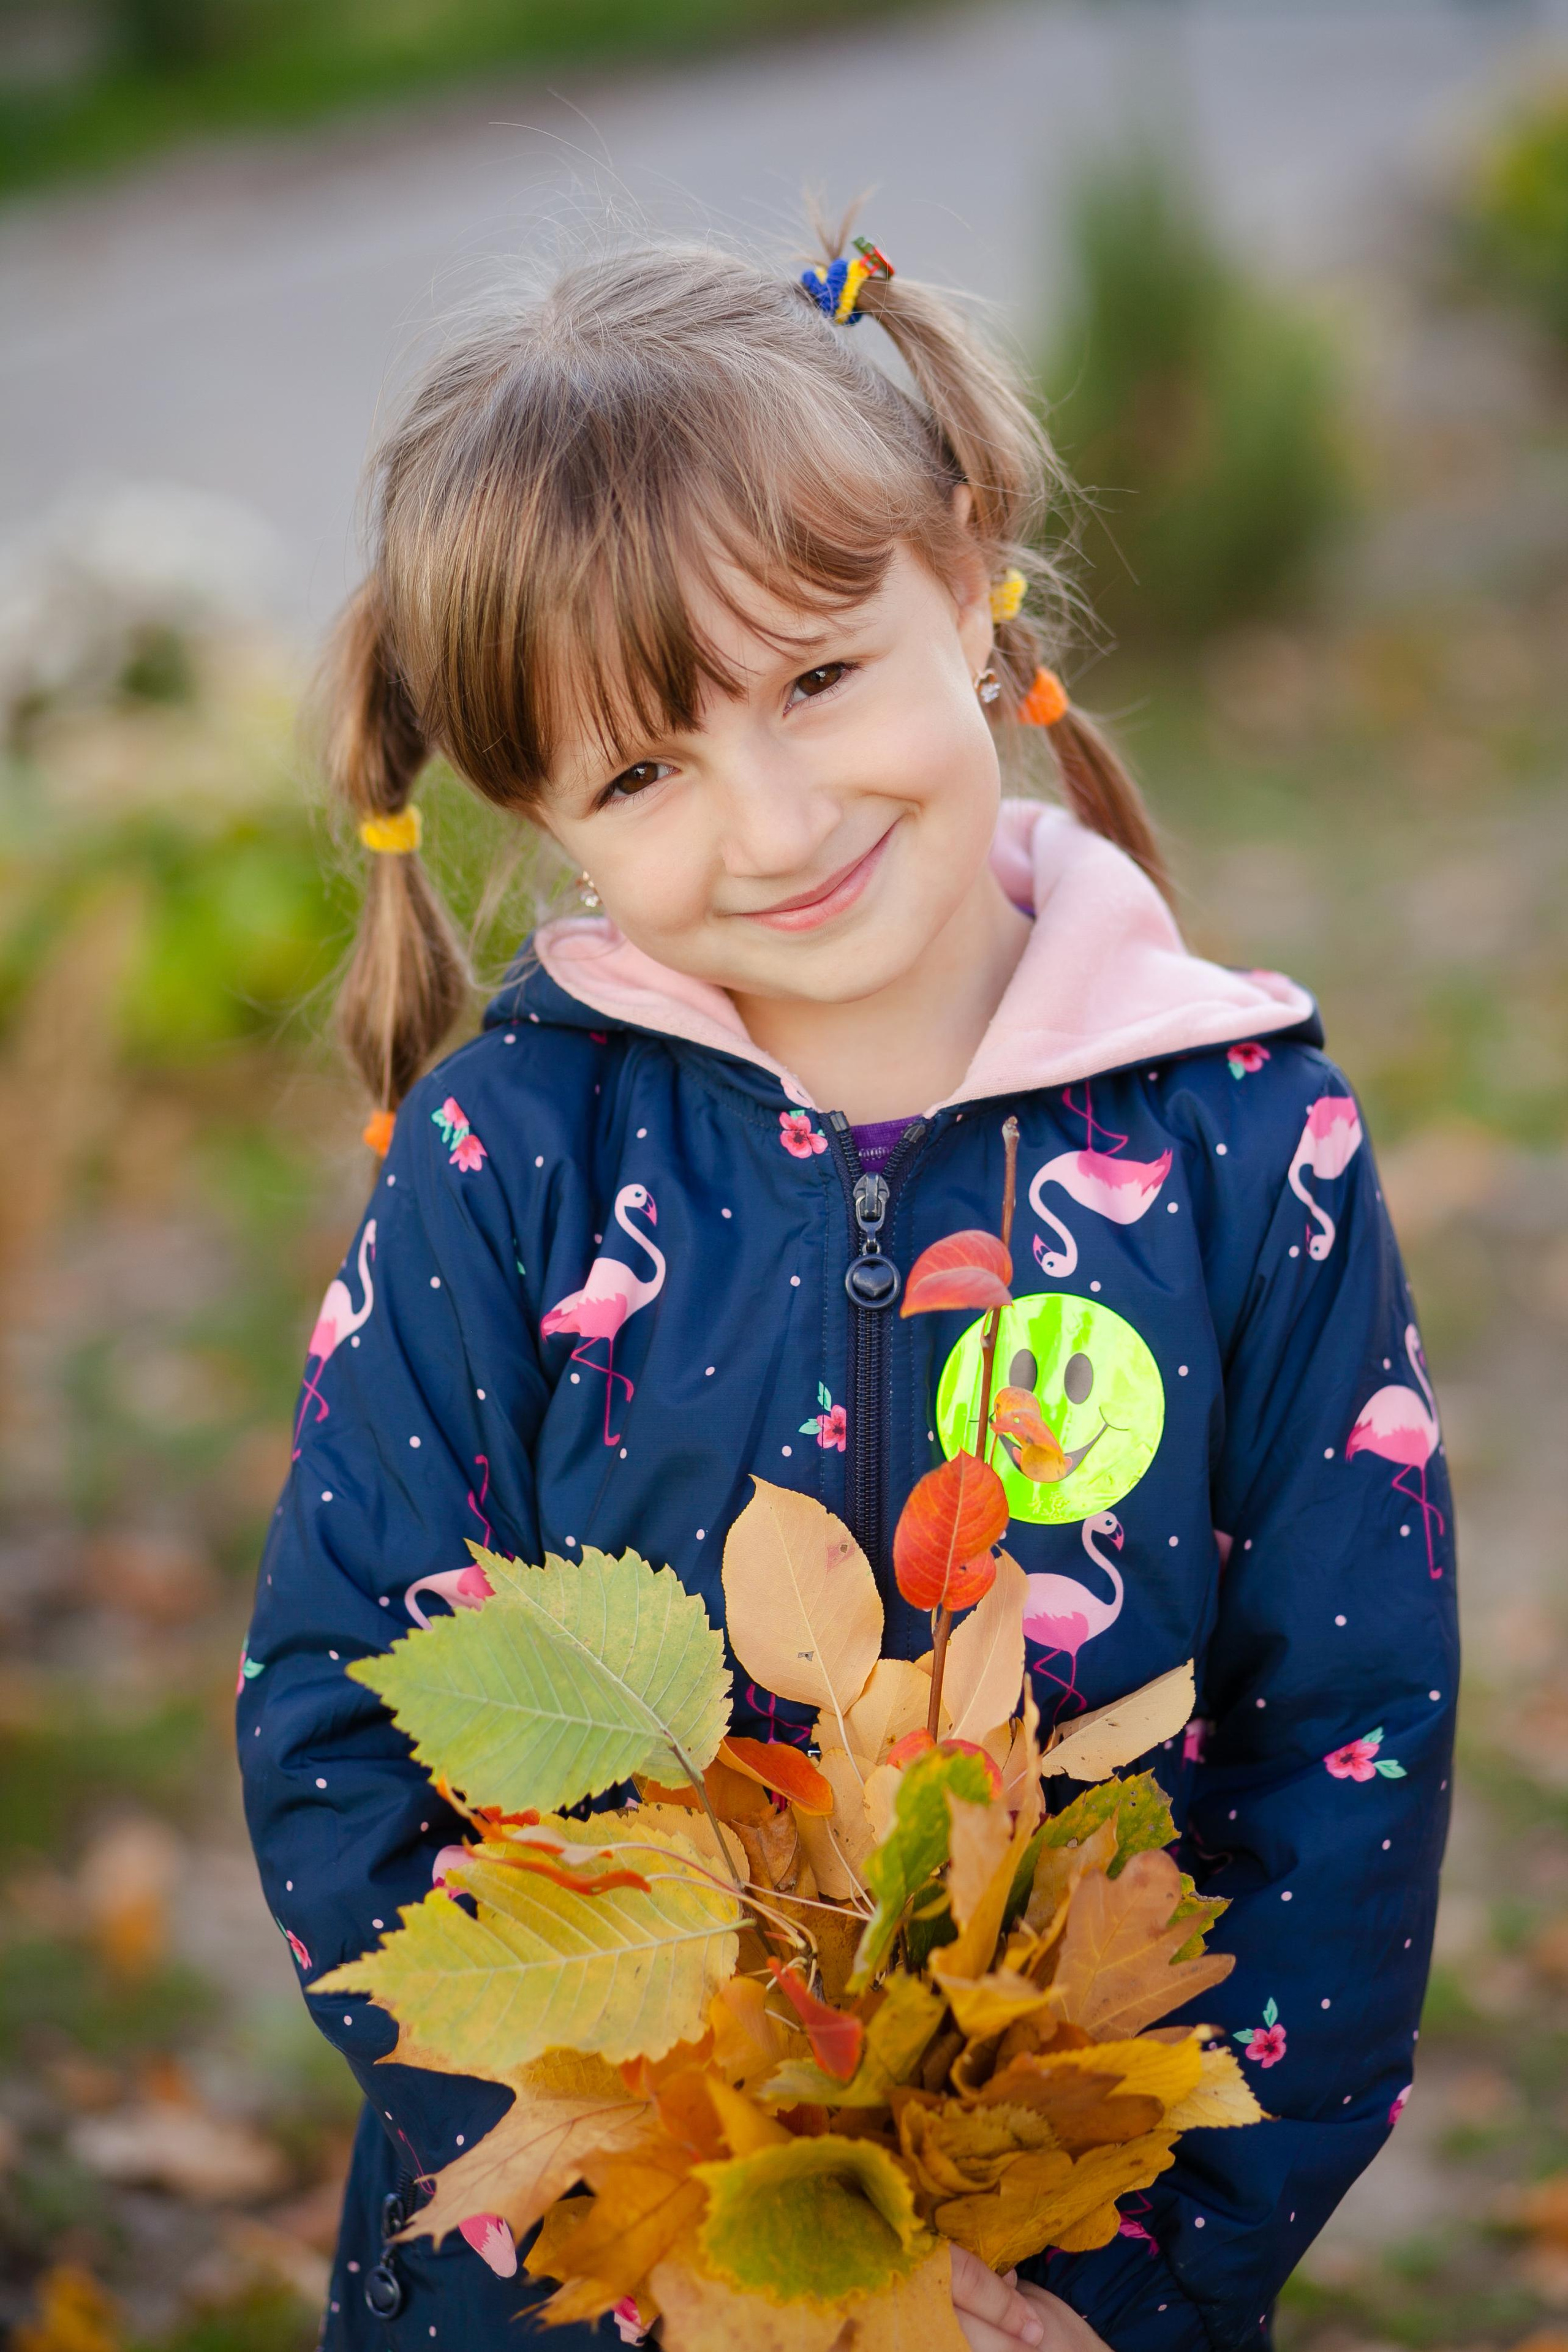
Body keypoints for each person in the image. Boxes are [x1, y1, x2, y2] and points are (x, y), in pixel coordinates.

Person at [238, 230, 1457, 2352]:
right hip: (592, 2289)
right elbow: (348, 1718)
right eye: (644, 773)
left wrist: (1148, 2278)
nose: (780, 820)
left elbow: (1346, 1744)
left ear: (968, 580)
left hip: (1071, 2271)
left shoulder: (1253, 1149)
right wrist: (653, 2235)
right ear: (535, 810)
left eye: (814, 678)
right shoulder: (505, 1166)